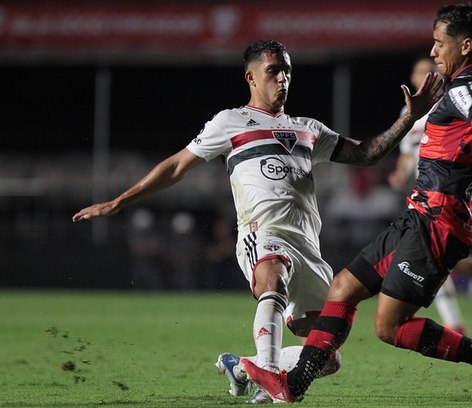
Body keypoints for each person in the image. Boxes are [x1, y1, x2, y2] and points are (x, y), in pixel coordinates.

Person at [242, 4, 472, 404]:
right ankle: (293, 385)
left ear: (465, 46)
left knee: (390, 327)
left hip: (440, 220)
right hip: (421, 215)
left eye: (439, 42)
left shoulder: (466, 87)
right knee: (342, 289)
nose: (433, 51)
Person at [72, 40, 445, 402]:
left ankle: (244, 367)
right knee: (272, 279)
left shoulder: (308, 128)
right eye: (273, 71)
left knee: (327, 357)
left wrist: (409, 118)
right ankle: (269, 381)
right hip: (261, 232)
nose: (282, 78)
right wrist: (120, 201)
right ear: (251, 77)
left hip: (307, 246)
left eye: (287, 71)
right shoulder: (230, 122)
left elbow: (366, 154)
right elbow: (176, 166)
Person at [389, 57, 472, 333]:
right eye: (419, 72)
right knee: (447, 259)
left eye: (429, 71)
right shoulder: (410, 111)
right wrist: (400, 173)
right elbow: (406, 154)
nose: (424, 76)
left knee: (435, 256)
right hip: (423, 194)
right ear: (415, 80)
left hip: (450, 191)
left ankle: (456, 323)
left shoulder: (454, 102)